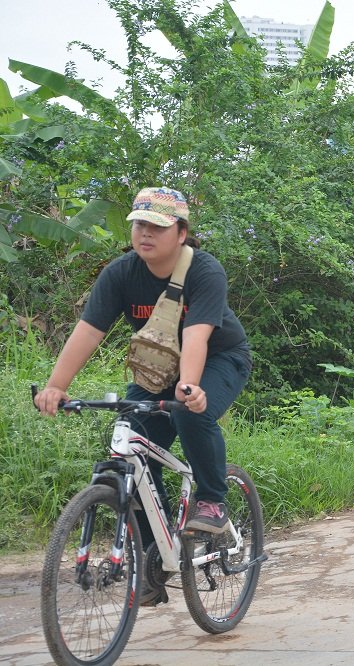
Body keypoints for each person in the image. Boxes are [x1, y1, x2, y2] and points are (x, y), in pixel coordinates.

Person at [34, 186, 252, 604]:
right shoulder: (120, 273)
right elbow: (88, 332)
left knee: (189, 413)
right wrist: (57, 386)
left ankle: (211, 501)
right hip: (159, 369)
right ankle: (155, 556)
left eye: (157, 226)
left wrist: (190, 387)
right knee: (130, 445)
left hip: (219, 359)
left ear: (182, 233)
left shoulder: (204, 270)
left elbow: (197, 336)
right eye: (139, 225)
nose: (145, 233)